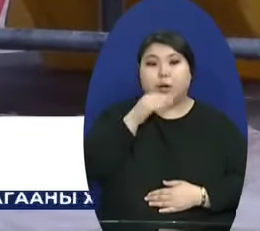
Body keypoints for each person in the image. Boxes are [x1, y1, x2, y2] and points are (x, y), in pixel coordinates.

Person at [84, 31, 246, 231]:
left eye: (174, 62)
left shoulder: (218, 125)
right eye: (152, 64)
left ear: (190, 72)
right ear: (139, 72)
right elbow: (90, 167)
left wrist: (202, 196)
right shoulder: (119, 117)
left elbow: (246, 183)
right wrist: (135, 117)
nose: (163, 73)